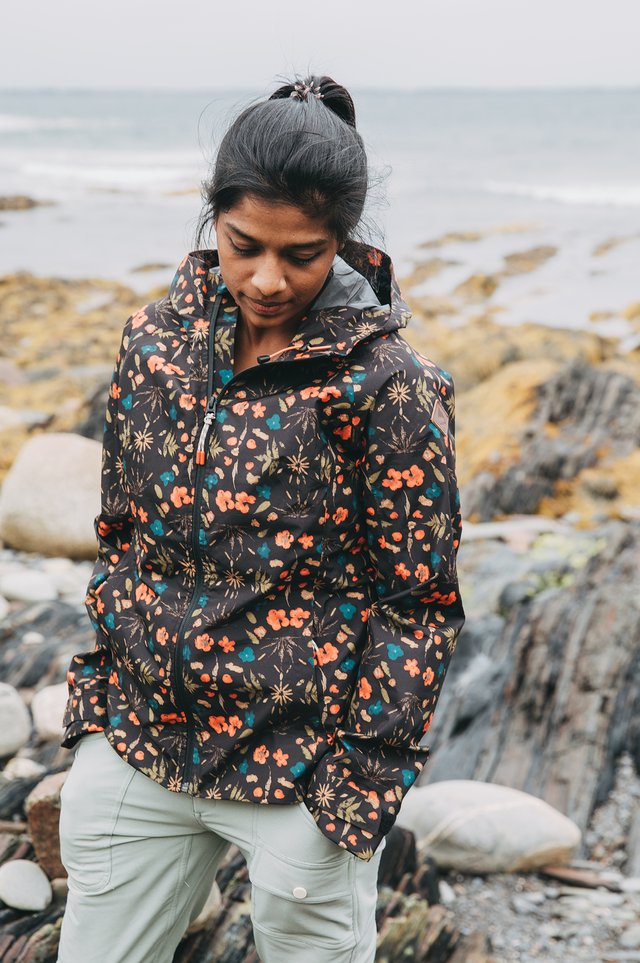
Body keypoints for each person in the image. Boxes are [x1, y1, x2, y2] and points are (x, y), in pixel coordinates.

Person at [56, 75, 465, 963]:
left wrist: (352, 785)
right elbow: (120, 528)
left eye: (304, 254)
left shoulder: (390, 384)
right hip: (141, 742)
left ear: (344, 244)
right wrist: (96, 695)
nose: (269, 278)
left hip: (301, 772)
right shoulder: (152, 343)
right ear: (213, 219)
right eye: (244, 245)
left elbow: (419, 603)